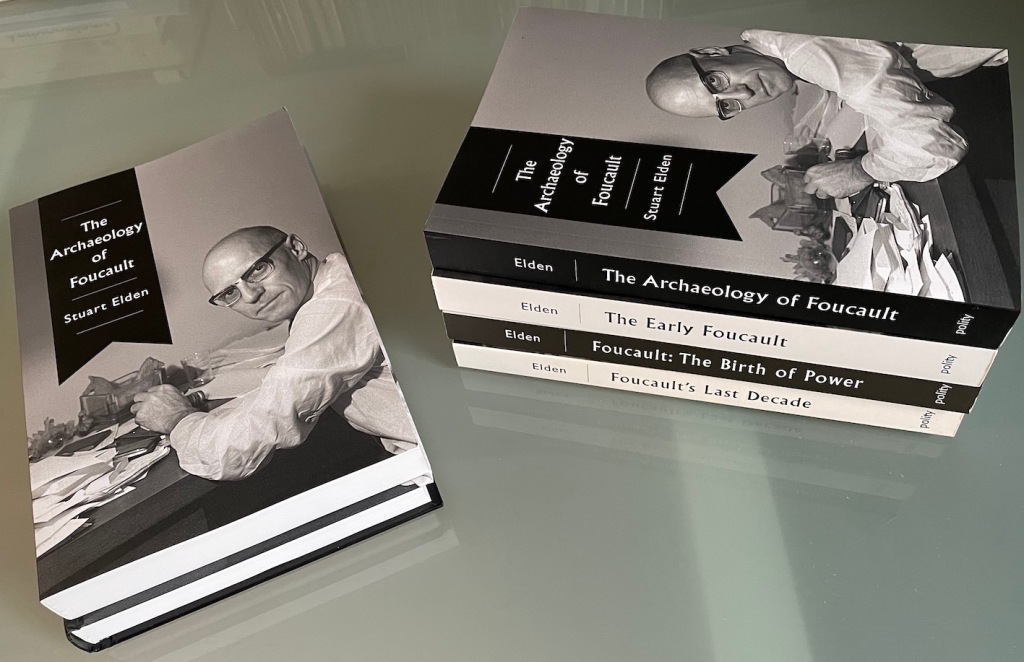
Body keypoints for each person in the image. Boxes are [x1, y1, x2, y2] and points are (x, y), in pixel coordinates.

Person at [131, 226, 418, 481]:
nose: (251, 295)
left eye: (257, 269)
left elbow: (239, 451)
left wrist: (178, 419)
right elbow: (284, 389)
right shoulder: (334, 279)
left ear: (296, 248)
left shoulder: (333, 308)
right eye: (230, 293)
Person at [646, 29, 1008, 199]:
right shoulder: (777, 40)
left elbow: (934, 145)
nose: (742, 94)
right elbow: (880, 87)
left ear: (711, 52)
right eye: (725, 105)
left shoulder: (803, 50)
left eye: (715, 81)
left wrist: (861, 170)